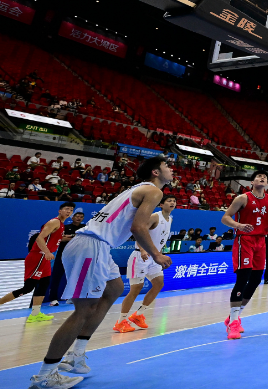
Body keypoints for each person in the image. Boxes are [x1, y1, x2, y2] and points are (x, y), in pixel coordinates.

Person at [24, 156, 173, 388]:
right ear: (155, 172)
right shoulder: (154, 191)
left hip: (99, 246)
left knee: (115, 289)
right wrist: (156, 254)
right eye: (167, 166)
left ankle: (76, 355)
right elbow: (138, 227)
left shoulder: (137, 188)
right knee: (83, 311)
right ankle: (45, 375)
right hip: (90, 246)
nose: (171, 169)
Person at [0, 203, 74, 326]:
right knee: (28, 288)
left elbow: (54, 238)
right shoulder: (54, 222)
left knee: (44, 283)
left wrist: (68, 238)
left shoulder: (61, 224)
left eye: (71, 210)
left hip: (44, 258)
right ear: (60, 211)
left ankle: (35, 314)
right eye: (66, 209)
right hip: (39, 256)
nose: (69, 211)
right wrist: (47, 252)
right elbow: (39, 238)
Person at [221, 171, 268, 339]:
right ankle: (233, 324)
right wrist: (238, 225)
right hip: (245, 240)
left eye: (265, 177)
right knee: (242, 279)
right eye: (259, 176)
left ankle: (234, 317)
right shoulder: (243, 198)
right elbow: (225, 218)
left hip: (262, 241)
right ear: (252, 182)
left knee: (255, 280)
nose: (262, 178)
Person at [113, 195, 176, 333]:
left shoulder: (170, 219)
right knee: (136, 289)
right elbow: (139, 231)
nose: (172, 203)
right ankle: (121, 321)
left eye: (174, 201)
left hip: (155, 257)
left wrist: (159, 255)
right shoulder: (155, 217)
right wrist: (142, 249)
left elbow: (159, 239)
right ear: (161, 204)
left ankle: (138, 315)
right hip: (140, 256)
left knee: (159, 283)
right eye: (169, 201)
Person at [48, 210, 84, 306]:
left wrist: (70, 238)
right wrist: (74, 238)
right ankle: (53, 299)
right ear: (72, 217)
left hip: (76, 257)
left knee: (75, 278)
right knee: (56, 277)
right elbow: (59, 239)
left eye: (81, 217)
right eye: (77, 216)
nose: (79, 218)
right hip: (62, 256)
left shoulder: (84, 228)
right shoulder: (65, 227)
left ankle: (72, 297)